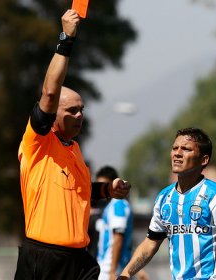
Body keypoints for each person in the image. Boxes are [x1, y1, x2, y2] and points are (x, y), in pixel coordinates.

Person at [15, 10, 130, 280]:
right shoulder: (38, 143)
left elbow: (79, 192)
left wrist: (106, 189)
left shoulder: (74, 149)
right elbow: (51, 91)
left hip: (79, 261)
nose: (80, 116)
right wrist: (66, 39)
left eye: (82, 110)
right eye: (71, 111)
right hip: (44, 261)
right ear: (52, 114)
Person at [118, 127, 216, 280]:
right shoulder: (164, 198)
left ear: (204, 160)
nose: (177, 153)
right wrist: (126, 273)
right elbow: (151, 242)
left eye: (186, 149)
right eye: (175, 148)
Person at [94, 165, 149, 280]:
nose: (101, 190)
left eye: (104, 185)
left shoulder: (118, 205)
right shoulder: (109, 207)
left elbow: (118, 237)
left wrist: (112, 271)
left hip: (112, 269)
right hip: (106, 268)